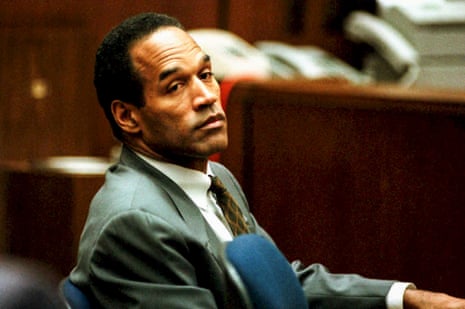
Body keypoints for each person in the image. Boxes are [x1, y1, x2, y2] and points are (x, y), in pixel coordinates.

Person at [69, 12, 465, 308]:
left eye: (206, 74)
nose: (206, 95)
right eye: (175, 86)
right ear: (128, 116)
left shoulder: (213, 177)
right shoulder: (134, 221)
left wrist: (407, 298)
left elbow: (276, 283)